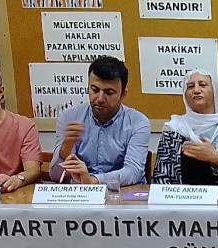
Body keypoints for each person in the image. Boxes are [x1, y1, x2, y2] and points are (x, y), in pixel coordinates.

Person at [49, 56, 150, 185]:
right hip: (81, 193)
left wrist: (93, 181)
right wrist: (66, 148)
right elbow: (56, 176)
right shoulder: (69, 117)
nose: (100, 98)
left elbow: (133, 172)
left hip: (124, 193)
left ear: (123, 94)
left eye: (109, 92)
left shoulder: (138, 122)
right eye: (94, 90)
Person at [152, 69, 218, 185]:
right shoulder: (173, 129)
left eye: (202, 85)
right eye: (190, 86)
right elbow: (160, 176)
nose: (197, 90)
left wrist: (216, 158)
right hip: (180, 195)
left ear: (214, 92)